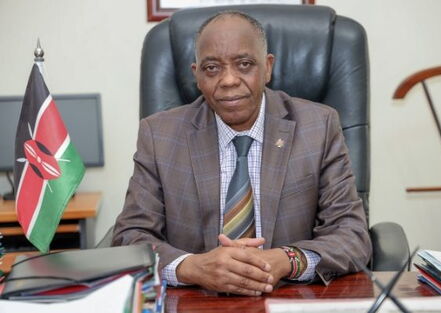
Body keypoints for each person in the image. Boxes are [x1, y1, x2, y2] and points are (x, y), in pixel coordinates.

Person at [112, 11, 371, 296]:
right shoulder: (159, 136)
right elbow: (130, 238)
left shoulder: (318, 127)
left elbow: (352, 234)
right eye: (212, 68)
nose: (229, 80)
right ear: (196, 75)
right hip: (196, 300)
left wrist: (288, 259)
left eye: (244, 64)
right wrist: (192, 268)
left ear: (268, 67)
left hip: (289, 297)